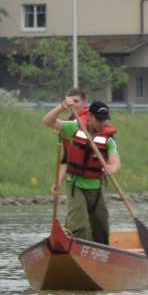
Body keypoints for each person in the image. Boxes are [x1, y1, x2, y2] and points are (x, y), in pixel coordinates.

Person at [43, 91, 121, 245]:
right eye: (99, 120)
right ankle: (79, 249)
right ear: (90, 116)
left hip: (96, 186)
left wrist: (112, 168)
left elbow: (116, 161)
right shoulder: (75, 127)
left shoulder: (109, 138)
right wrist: (61, 107)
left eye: (104, 120)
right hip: (76, 184)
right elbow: (48, 122)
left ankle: (101, 252)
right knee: (80, 226)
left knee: (101, 226)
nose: (102, 123)